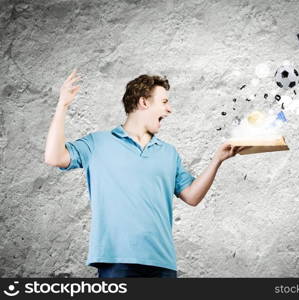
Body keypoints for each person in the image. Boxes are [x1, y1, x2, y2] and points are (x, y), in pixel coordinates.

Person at [44, 70, 247, 278]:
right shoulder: (97, 143)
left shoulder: (168, 153)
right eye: (165, 101)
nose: (170, 109)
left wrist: (217, 160)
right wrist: (62, 106)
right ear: (144, 103)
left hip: (162, 263)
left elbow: (192, 196)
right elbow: (54, 157)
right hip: (116, 261)